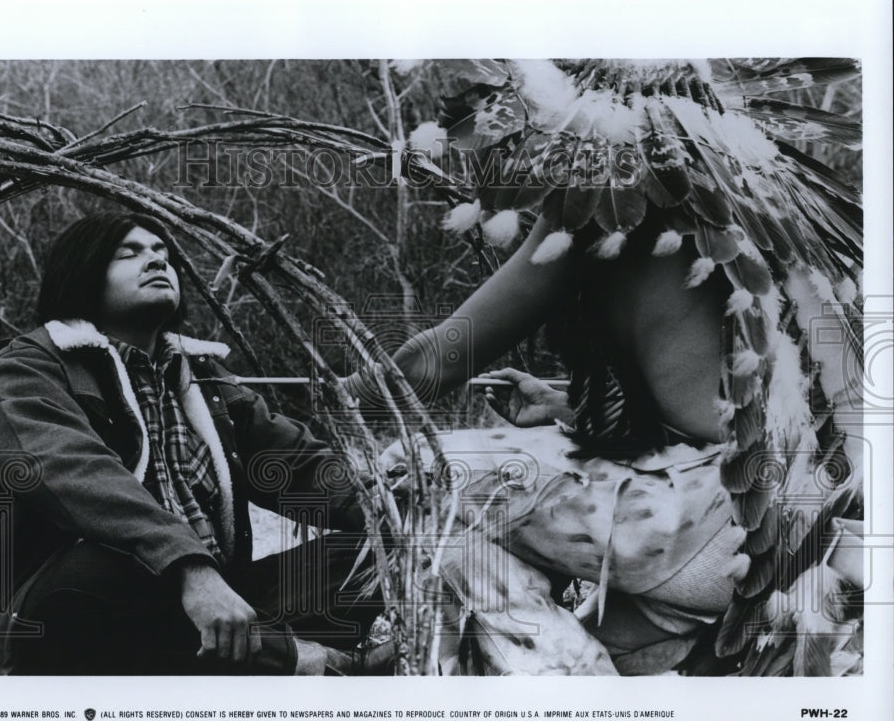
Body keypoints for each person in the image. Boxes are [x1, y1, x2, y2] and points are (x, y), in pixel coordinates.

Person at [351, 58, 865, 675]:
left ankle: (567, 687)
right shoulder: (749, 194)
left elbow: (434, 361)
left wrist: (335, 394)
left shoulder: (600, 194)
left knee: (414, 470)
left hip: (713, 523)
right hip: (789, 530)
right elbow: (711, 402)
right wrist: (566, 410)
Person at [0, 212, 388, 676]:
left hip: (201, 601)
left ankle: (252, 657)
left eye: (161, 253)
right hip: (50, 610)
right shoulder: (27, 369)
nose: (154, 260)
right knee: (102, 563)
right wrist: (187, 564)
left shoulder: (204, 379)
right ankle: (298, 659)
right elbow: (70, 470)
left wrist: (390, 500)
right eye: (128, 253)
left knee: (381, 547)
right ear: (82, 271)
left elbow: (299, 464)